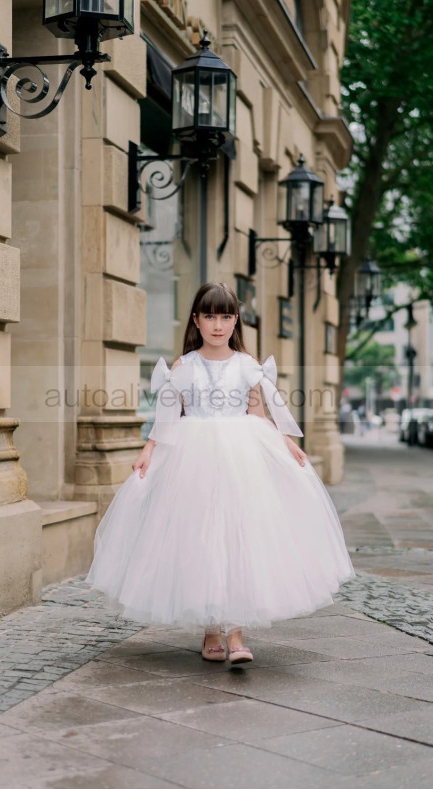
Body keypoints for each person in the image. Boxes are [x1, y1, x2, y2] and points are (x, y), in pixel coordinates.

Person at [86, 282, 355, 666]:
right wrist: (149, 450)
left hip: (241, 456)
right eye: (210, 315)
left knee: (239, 535)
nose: (218, 324)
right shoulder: (184, 366)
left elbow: (257, 413)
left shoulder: (247, 365)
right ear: (196, 319)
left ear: (235, 321)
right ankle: (211, 629)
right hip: (191, 458)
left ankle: (236, 631)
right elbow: (167, 417)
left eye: (226, 316)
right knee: (200, 536)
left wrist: (284, 443)